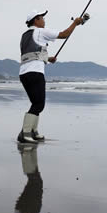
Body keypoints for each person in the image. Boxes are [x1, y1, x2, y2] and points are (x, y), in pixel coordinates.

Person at [18, 9, 85, 144]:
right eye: (42, 17)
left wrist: (47, 58)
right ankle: (25, 134)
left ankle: (33, 132)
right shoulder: (40, 31)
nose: (44, 20)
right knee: (38, 104)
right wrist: (75, 24)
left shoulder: (25, 35)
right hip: (35, 72)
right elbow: (64, 34)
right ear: (36, 20)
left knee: (36, 104)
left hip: (24, 73)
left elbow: (30, 55)